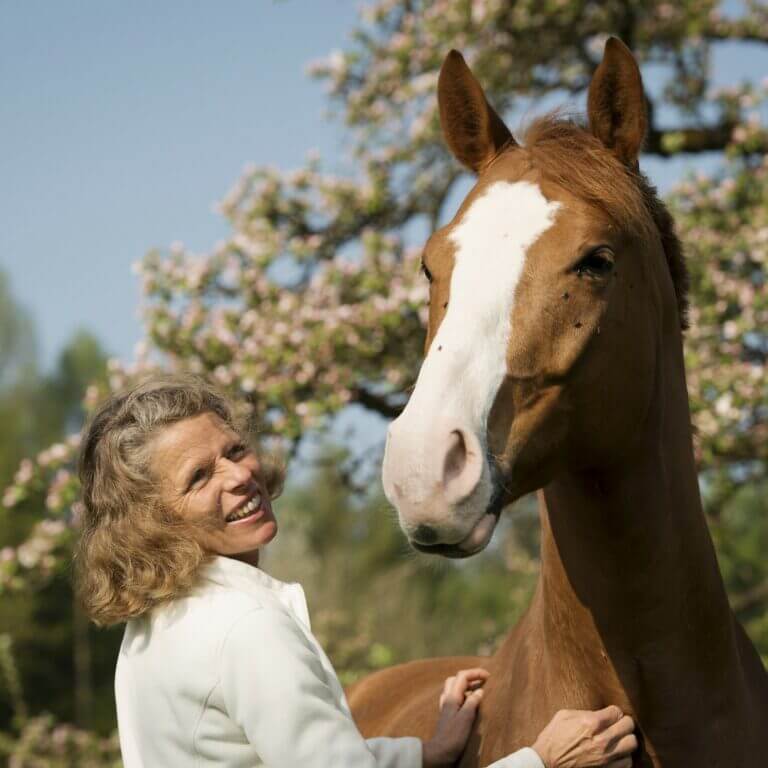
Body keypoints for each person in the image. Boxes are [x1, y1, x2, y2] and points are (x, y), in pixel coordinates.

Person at [76, 374, 638, 768]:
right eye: (199, 477)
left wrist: (424, 753)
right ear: (152, 522)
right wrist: (542, 761)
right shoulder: (244, 629)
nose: (239, 475)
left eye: (235, 450)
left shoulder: (154, 631)